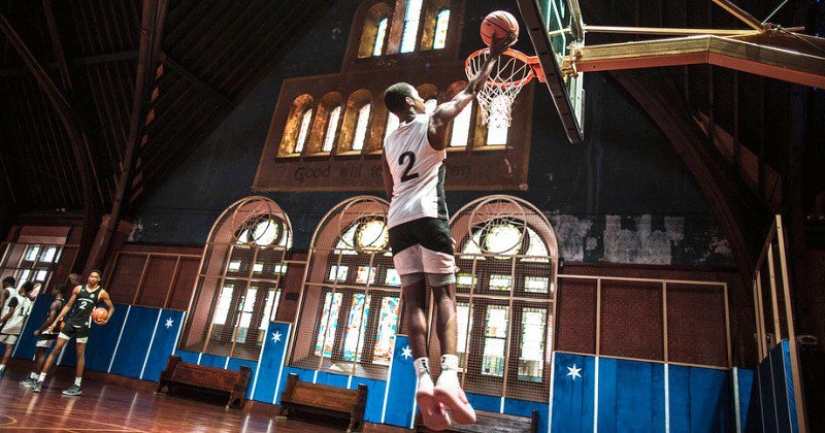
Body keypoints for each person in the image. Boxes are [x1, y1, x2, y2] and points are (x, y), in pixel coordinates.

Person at [381, 32, 516, 430]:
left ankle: (423, 377)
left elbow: (389, 187)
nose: (423, 101)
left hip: (397, 220)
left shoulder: (389, 141)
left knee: (413, 300)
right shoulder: (432, 119)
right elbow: (470, 93)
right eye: (418, 98)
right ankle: (449, 377)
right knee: (445, 296)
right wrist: (493, 55)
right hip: (428, 214)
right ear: (409, 102)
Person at [32, 270, 114, 395]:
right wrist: (55, 323)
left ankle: (77, 385)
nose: (93, 278)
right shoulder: (78, 289)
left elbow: (111, 308)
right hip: (70, 323)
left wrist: (106, 320)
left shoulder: (101, 293)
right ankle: (40, 380)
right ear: (88, 277)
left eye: (96, 277)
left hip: (84, 326)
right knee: (55, 349)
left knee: (80, 354)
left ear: (99, 280)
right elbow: (68, 306)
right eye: (91, 276)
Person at [21, 283, 69, 388]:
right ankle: (33, 377)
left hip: (48, 330)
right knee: (39, 352)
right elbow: (63, 320)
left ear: (57, 289)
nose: (52, 291)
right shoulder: (64, 303)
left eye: (53, 289)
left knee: (40, 353)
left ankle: (35, 379)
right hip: (54, 331)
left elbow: (50, 320)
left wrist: (40, 330)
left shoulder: (55, 303)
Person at [0, 282, 35, 378]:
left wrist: (1, 320)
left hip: (7, 325)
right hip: (17, 327)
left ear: (22, 288)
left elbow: (10, 313)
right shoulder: (29, 301)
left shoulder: (15, 298)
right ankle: (1, 368)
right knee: (9, 348)